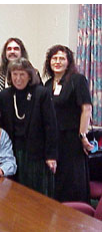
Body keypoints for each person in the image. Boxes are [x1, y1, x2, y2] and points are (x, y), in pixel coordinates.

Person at [0, 58, 58, 197]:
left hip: (36, 153)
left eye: (22, 74)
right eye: (15, 74)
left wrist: (51, 156)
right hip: (12, 151)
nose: (18, 78)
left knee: (36, 193)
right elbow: (0, 125)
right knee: (15, 192)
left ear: (30, 75)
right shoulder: (5, 95)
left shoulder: (41, 93)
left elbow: (51, 126)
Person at [43, 45, 93, 203]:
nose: (57, 62)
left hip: (72, 138)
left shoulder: (77, 80)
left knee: (72, 180)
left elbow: (86, 108)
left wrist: (83, 135)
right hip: (54, 139)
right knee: (56, 180)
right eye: (54, 58)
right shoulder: (47, 84)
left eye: (62, 58)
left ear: (68, 61)